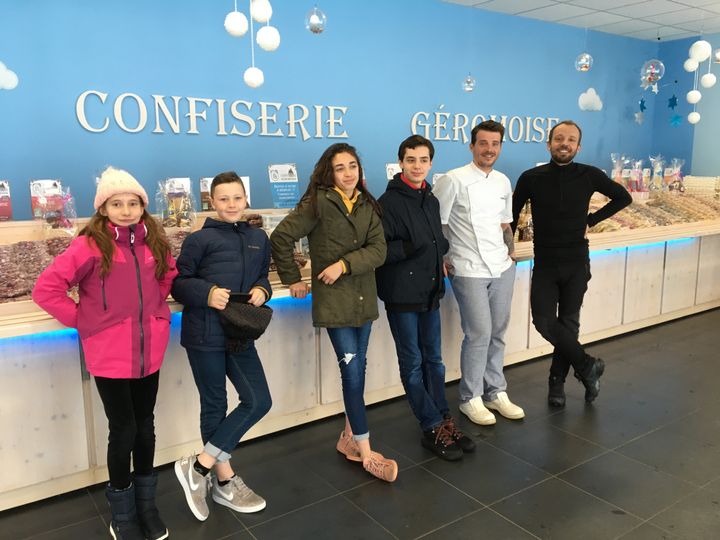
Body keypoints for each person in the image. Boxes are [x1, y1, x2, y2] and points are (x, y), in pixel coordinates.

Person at [33, 167, 177, 540]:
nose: (126, 210)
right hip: (110, 354)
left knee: (145, 427)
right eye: (117, 203)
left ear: (143, 207)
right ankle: (122, 513)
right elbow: (47, 289)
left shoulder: (154, 242)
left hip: (150, 350)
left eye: (133, 203)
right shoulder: (89, 246)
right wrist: (85, 321)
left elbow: (167, 275)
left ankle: (147, 506)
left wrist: (158, 311)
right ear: (103, 208)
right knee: (124, 429)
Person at [270, 143, 398, 482]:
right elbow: (281, 237)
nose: (348, 173)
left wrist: (343, 265)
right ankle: (367, 452)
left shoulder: (368, 203)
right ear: (329, 172)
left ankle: (347, 439)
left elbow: (378, 250)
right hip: (335, 304)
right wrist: (293, 279)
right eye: (340, 167)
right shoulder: (318, 203)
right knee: (353, 375)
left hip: (363, 301)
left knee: (358, 370)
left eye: (352, 166)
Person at [171, 171, 273, 521]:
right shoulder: (198, 240)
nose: (231, 204)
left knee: (259, 400)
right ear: (212, 202)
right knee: (214, 405)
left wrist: (264, 290)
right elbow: (179, 284)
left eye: (237, 197)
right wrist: (207, 293)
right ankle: (225, 483)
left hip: (240, 331)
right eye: (223, 198)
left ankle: (198, 467)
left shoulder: (259, 236)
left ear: (246, 199)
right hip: (204, 333)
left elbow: (262, 276)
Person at [512, 120, 631, 407]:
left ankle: (557, 384)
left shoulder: (589, 175)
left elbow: (622, 197)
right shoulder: (531, 177)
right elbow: (512, 215)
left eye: (571, 140)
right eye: (559, 138)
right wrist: (506, 247)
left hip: (577, 262)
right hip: (545, 263)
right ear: (549, 143)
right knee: (543, 322)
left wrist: (591, 220)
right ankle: (587, 365)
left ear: (578, 146)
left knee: (568, 324)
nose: (564, 143)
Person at [376, 135, 476, 461]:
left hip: (431, 292)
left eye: (423, 160)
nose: (417, 166)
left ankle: (444, 417)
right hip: (402, 296)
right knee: (414, 363)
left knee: (435, 360)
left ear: (431, 163)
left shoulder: (429, 198)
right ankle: (430, 425)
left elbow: (435, 240)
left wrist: (440, 254)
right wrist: (411, 247)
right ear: (400, 163)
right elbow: (380, 250)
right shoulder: (387, 203)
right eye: (410, 160)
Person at [434, 120, 524, 426]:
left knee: (498, 331)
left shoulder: (502, 181)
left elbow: (504, 223)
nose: (489, 149)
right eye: (483, 143)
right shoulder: (453, 179)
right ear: (472, 146)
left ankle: (495, 391)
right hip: (468, 267)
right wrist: (444, 258)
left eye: (495, 144)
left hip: (501, 267)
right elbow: (438, 223)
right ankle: (469, 397)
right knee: (479, 333)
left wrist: (511, 253)